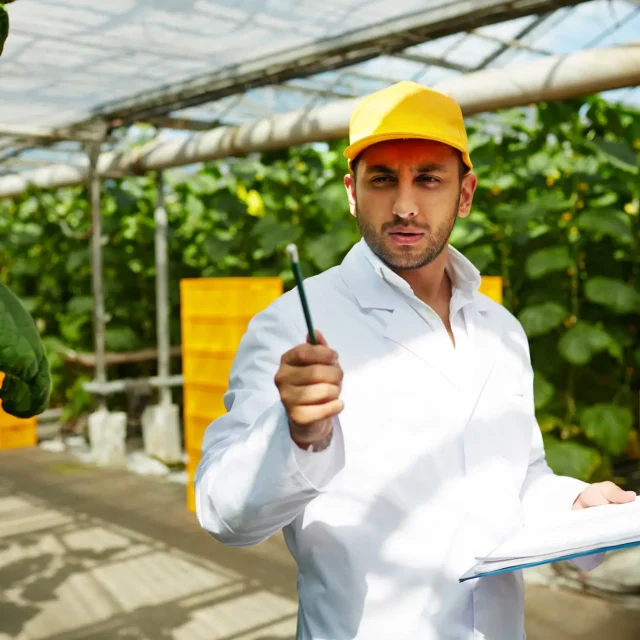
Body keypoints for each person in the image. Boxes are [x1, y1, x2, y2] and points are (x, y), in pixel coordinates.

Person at [194, 81, 635, 639]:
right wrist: (297, 435)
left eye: (428, 179)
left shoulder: (500, 329)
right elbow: (222, 513)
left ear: (465, 193)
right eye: (383, 179)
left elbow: (516, 476)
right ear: (353, 193)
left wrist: (573, 501)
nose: (404, 206)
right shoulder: (291, 328)